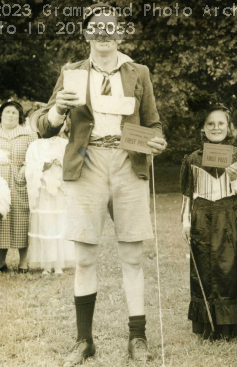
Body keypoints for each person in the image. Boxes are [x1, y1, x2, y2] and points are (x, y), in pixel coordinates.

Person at [35, 3, 167, 365]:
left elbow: (154, 124)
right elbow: (43, 125)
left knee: (132, 255)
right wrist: (59, 110)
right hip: (87, 163)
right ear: (86, 33)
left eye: (111, 27)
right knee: (85, 256)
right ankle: (84, 340)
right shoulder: (71, 72)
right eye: (97, 27)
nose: (104, 33)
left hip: (128, 162)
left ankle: (136, 339)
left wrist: (156, 140)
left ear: (120, 34)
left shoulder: (138, 72)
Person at [180, 93, 237, 340]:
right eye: (210, 124)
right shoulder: (192, 159)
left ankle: (231, 326)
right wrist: (185, 221)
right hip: (202, 216)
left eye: (221, 123)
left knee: (231, 268)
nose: (216, 128)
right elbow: (187, 195)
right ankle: (207, 325)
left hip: (230, 216)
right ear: (203, 128)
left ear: (228, 127)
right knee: (204, 267)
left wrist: (236, 180)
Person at [0, 100, 38, 273]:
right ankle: (0, 261)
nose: (11, 115)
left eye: (15, 112)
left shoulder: (29, 134)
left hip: (21, 183)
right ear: (1, 115)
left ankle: (23, 262)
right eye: (7, 112)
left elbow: (35, 157)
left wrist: (26, 167)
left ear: (19, 116)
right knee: (1, 220)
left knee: (22, 219)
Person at [26, 115, 75, 275]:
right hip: (43, 192)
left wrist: (61, 164)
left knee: (59, 224)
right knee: (46, 226)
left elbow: (72, 163)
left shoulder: (65, 144)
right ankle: (47, 264)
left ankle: (59, 263)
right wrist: (42, 167)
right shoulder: (35, 146)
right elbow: (30, 168)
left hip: (59, 191)